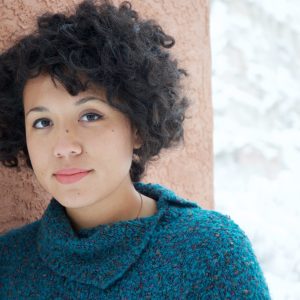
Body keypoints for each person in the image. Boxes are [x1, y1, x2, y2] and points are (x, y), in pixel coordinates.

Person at [0, 0, 271, 298]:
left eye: (90, 116)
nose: (64, 147)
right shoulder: (9, 264)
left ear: (139, 128)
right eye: (41, 122)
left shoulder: (211, 252)